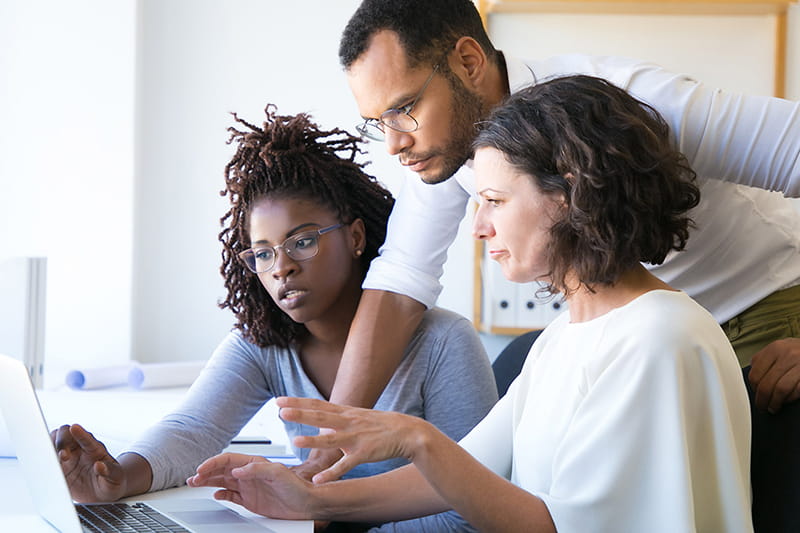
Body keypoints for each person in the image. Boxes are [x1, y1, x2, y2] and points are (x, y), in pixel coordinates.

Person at [188, 75, 754, 532]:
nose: (479, 226)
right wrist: (308, 499)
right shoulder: (566, 336)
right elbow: (465, 474)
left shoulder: (658, 337)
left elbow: (549, 526)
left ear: (571, 193)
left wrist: (416, 437)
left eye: (494, 200)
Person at [307, 0, 800, 471]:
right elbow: (400, 282)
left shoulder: (631, 102)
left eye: (404, 108)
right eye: (378, 123)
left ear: (469, 61)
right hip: (641, 343)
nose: (394, 142)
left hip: (762, 315)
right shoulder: (446, 147)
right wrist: (325, 453)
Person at [51, 106, 498, 531]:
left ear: (357, 236)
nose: (280, 267)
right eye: (262, 253)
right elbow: (194, 430)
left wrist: (321, 522)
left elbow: (474, 510)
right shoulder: (264, 344)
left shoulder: (443, 343)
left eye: (302, 242)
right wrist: (117, 477)